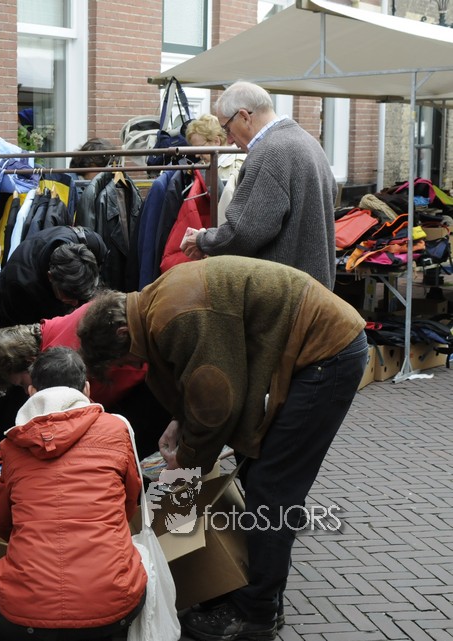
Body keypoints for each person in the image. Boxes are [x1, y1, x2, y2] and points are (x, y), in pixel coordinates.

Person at [77, 256, 368, 641]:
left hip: (327, 352)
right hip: (315, 346)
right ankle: (263, 594)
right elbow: (206, 376)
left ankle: (256, 615)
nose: (134, 364)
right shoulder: (154, 304)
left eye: (126, 359)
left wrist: (184, 468)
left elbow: (217, 406)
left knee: (272, 486)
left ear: (120, 332)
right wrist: (181, 419)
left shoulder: (172, 317)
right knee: (259, 474)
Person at [0, 346, 147, 641]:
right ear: (87, 389)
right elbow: (130, 501)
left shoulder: (13, 446)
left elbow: (4, 524)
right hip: (113, 606)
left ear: (31, 391)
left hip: (26, 616)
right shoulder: (116, 429)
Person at [180, 81, 338, 289]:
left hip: (284, 294)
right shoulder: (309, 142)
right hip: (315, 292)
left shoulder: (269, 152)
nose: (229, 140)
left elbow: (244, 233)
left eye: (227, 128)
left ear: (244, 116)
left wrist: (202, 240)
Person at [0, 302, 170, 457]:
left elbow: (71, 425)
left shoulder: (56, 368)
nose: (27, 392)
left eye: (23, 384)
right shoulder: (54, 327)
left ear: (30, 361)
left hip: (149, 385)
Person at [0, 225, 107, 329]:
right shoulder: (21, 284)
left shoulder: (92, 243)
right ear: (50, 277)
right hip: (12, 311)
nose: (76, 303)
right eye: (70, 298)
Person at [185, 113, 244, 212]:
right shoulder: (210, 164)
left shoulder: (236, 164)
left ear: (216, 141)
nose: (197, 155)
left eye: (200, 148)